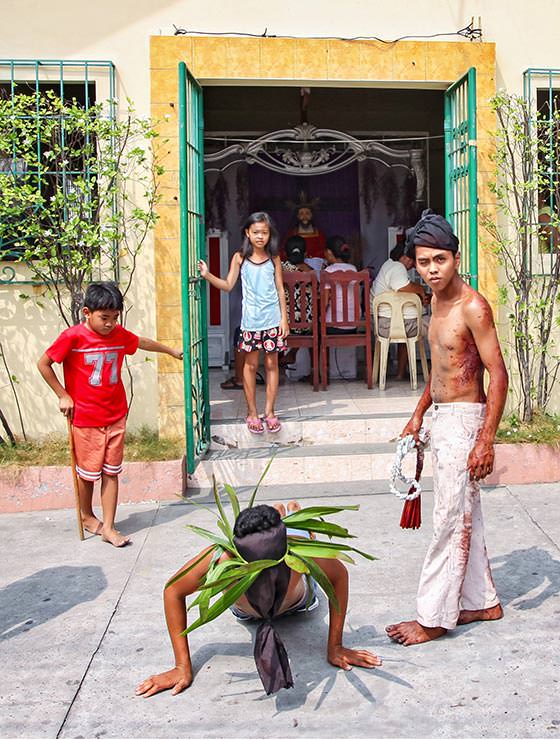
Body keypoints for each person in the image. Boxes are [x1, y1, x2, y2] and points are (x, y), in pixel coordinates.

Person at [385, 210, 508, 646]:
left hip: (466, 422)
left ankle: (434, 616)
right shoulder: (433, 301)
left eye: (440, 259)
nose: (432, 270)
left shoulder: (472, 307)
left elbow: (498, 373)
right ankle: (482, 601)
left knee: (449, 520)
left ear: (455, 258)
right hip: (442, 417)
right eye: (423, 262)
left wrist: (485, 441)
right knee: (463, 513)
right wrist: (419, 413)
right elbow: (442, 369)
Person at [135, 502, 381, 698]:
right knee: (283, 527)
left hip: (299, 601)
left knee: (301, 533)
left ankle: (293, 515)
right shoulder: (221, 558)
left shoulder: (299, 551)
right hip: (247, 613)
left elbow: (339, 576)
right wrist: (181, 666)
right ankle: (282, 512)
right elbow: (173, 590)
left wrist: (335, 646)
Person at [37, 281, 183, 547]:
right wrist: (63, 394)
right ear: (86, 312)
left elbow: (141, 342)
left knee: (111, 471)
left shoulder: (118, 334)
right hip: (86, 418)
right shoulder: (73, 337)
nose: (110, 324)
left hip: (116, 414)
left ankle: (109, 526)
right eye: (104, 318)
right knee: (88, 474)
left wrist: (171, 351)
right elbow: (44, 363)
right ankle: (86, 515)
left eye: (114, 318)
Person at [199, 212, 289, 435]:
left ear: (270, 235)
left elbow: (280, 289)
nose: (260, 237)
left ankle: (269, 412)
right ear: (247, 233)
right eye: (256, 232)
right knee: (249, 366)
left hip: (272, 321)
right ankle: (252, 412)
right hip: (250, 322)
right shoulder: (240, 257)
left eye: (264, 233)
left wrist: (284, 319)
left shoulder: (274, 257)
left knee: (272, 365)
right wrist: (207, 275)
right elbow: (229, 285)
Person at [371, 237, 430, 380]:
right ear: (403, 257)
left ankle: (401, 373)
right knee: (438, 324)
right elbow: (404, 287)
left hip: (385, 324)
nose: (413, 264)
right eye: (412, 259)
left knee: (405, 324)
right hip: (392, 325)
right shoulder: (397, 267)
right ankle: (441, 371)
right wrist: (421, 289)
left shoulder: (388, 266)